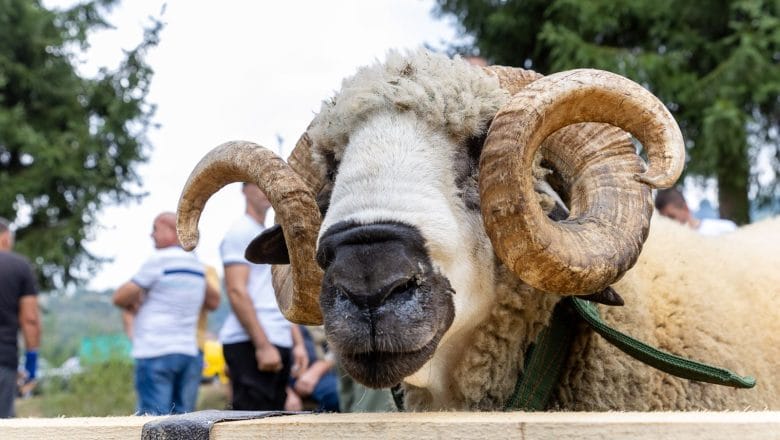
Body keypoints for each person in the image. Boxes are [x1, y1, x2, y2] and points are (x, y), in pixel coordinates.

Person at [113, 212, 220, 415]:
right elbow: (213, 301)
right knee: (184, 423)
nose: (151, 235)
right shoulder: (198, 266)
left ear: (172, 231)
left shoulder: (159, 261)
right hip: (187, 351)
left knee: (154, 421)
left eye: (155, 228)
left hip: (156, 351)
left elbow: (119, 297)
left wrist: (135, 300)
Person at [219, 183, 308, 410]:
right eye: (257, 185)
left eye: (268, 186)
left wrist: (297, 344)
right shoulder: (240, 231)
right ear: (244, 190)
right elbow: (237, 291)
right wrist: (262, 345)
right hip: (250, 344)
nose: (264, 190)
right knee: (249, 425)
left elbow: (278, 293)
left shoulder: (267, 236)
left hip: (277, 339)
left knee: (271, 423)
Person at [0, 217, 41, 419]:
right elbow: (30, 319)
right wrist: (32, 362)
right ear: (6, 237)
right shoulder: (19, 266)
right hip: (3, 358)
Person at [284, 326, 339, 412]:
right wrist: (286, 391)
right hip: (280, 377)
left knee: (335, 394)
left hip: (317, 369)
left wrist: (318, 369)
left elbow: (336, 351)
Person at [655, 188, 737, 236]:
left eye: (671, 217)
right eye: (663, 220)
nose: (668, 223)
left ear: (685, 208)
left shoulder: (726, 229)